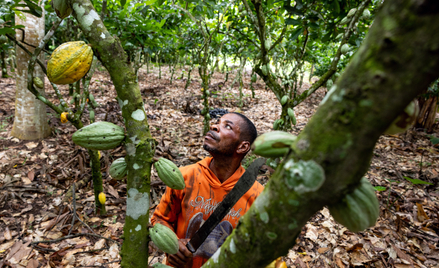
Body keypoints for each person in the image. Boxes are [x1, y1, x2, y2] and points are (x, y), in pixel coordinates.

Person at [151, 112, 263, 268]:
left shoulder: (257, 196)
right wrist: (173, 245)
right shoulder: (184, 177)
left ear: (242, 147)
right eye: (217, 122)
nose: (214, 126)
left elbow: (258, 249)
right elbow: (160, 219)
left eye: (227, 126)